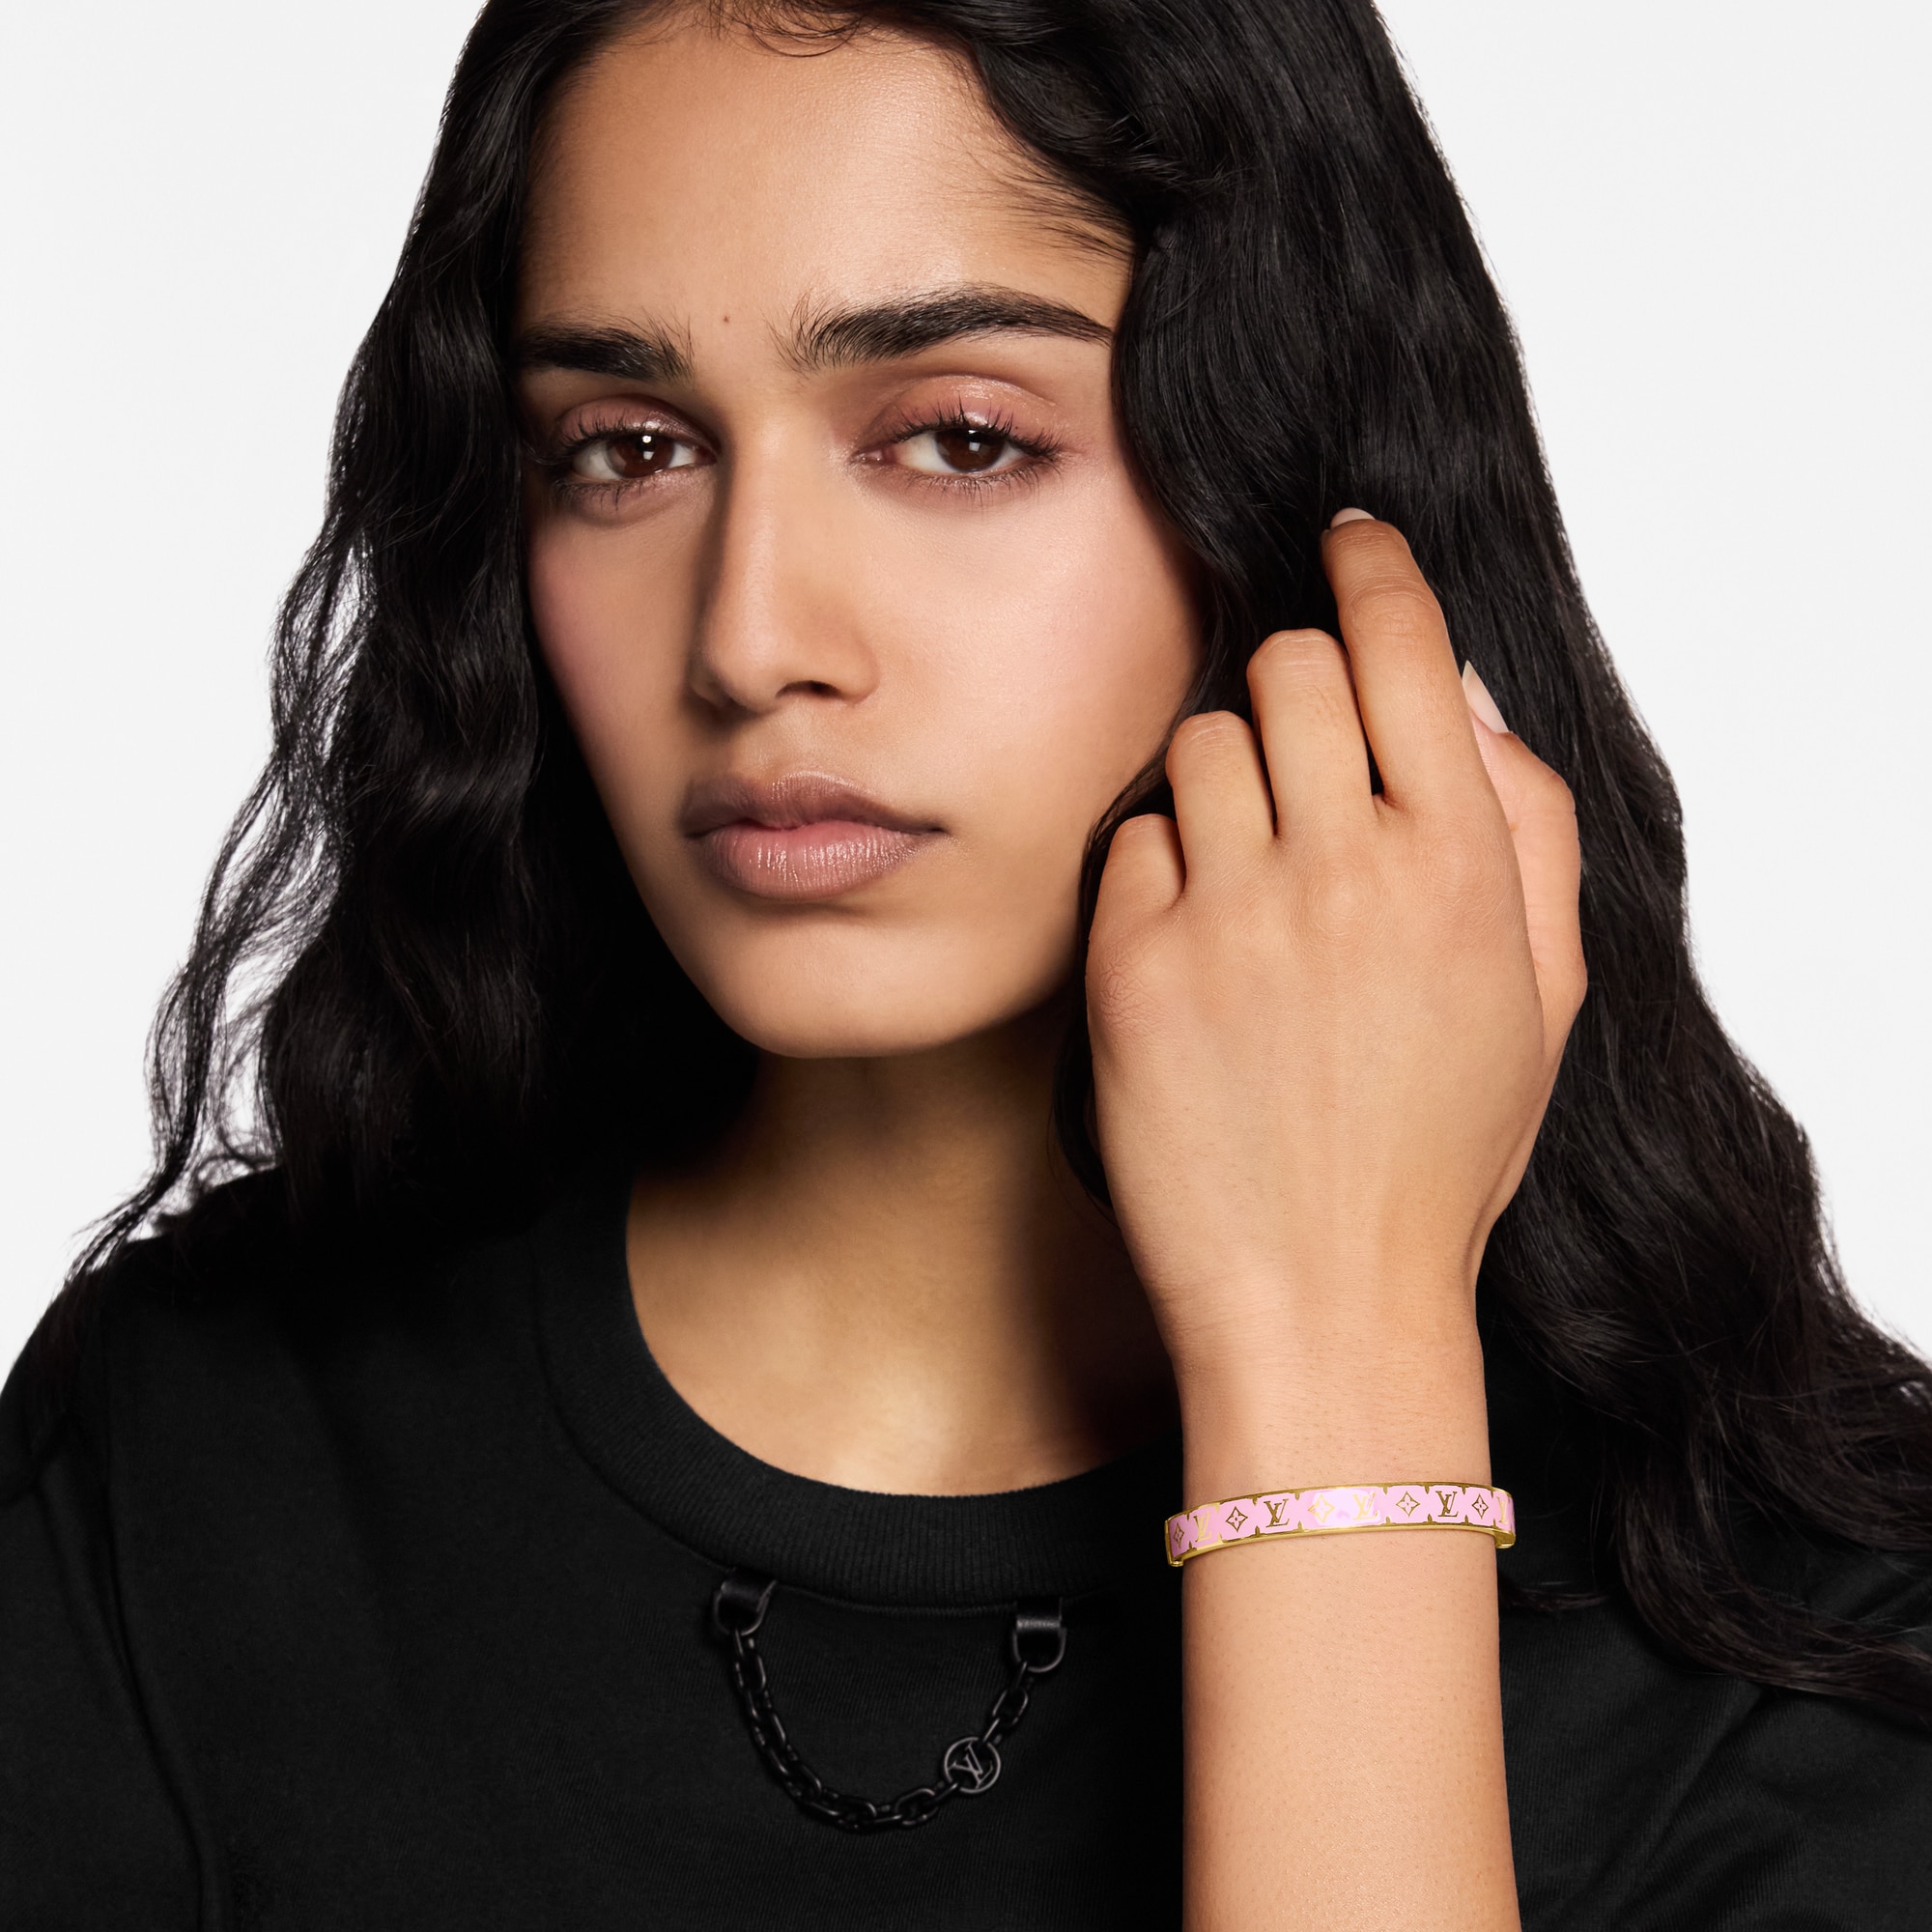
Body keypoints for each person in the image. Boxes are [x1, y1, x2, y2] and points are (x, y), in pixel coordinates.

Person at [4, 2, 1929, 1926]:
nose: (750, 638)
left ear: (1293, 490)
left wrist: (1334, 1366)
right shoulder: (190, 1459)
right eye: (628, 448)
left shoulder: (1805, 1631)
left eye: (959, 438)